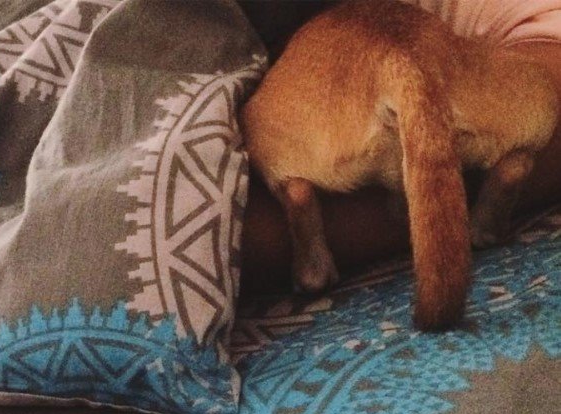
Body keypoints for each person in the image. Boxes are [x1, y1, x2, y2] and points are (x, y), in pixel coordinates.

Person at [240, 0, 561, 294]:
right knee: (534, 101)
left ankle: (307, 235)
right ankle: (506, 177)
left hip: (331, 144)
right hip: (469, 111)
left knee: (258, 130)